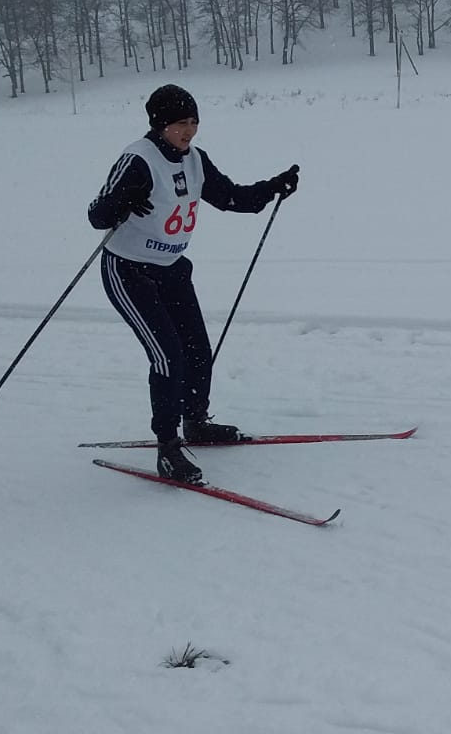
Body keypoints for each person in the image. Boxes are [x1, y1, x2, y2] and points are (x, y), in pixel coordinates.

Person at [88, 84, 299, 483]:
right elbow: (98, 216)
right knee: (168, 356)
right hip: (129, 272)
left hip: (171, 268)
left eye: (193, 121)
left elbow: (232, 198)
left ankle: (196, 422)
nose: (188, 130)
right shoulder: (138, 159)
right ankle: (168, 448)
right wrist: (124, 201)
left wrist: (273, 187)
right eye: (180, 123)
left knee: (197, 349)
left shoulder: (195, 160)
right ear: (159, 124)